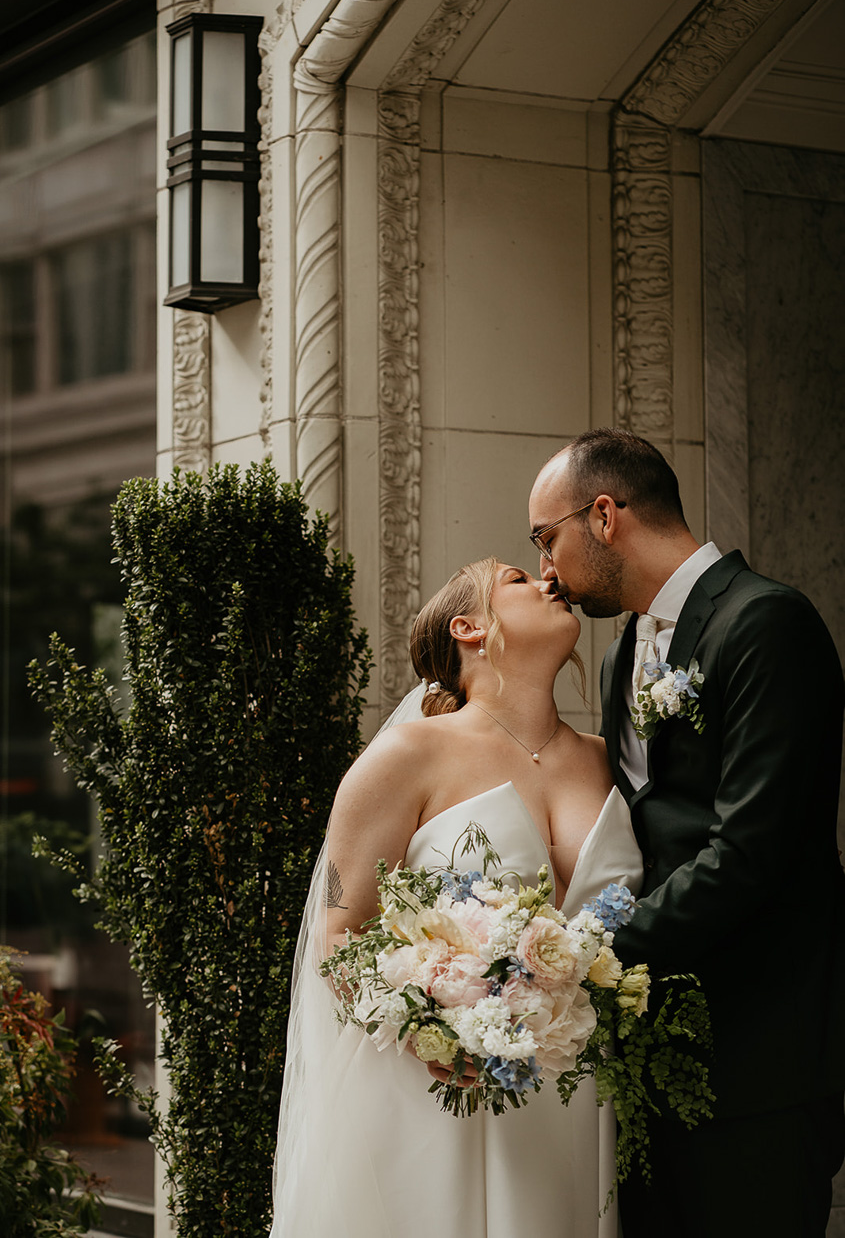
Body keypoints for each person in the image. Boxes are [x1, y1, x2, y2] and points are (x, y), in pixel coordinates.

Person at [528, 427, 845, 1238]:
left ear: (604, 515)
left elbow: (749, 851)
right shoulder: (620, 653)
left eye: (545, 538)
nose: (544, 572)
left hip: (758, 1051)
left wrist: (590, 955)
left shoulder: (766, 622)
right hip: (648, 1057)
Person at [269, 556, 642, 1238]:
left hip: (573, 1090)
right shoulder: (407, 755)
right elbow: (337, 932)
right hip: (437, 1093)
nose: (548, 579)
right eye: (518, 579)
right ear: (469, 626)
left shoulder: (603, 756)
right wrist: (433, 1035)